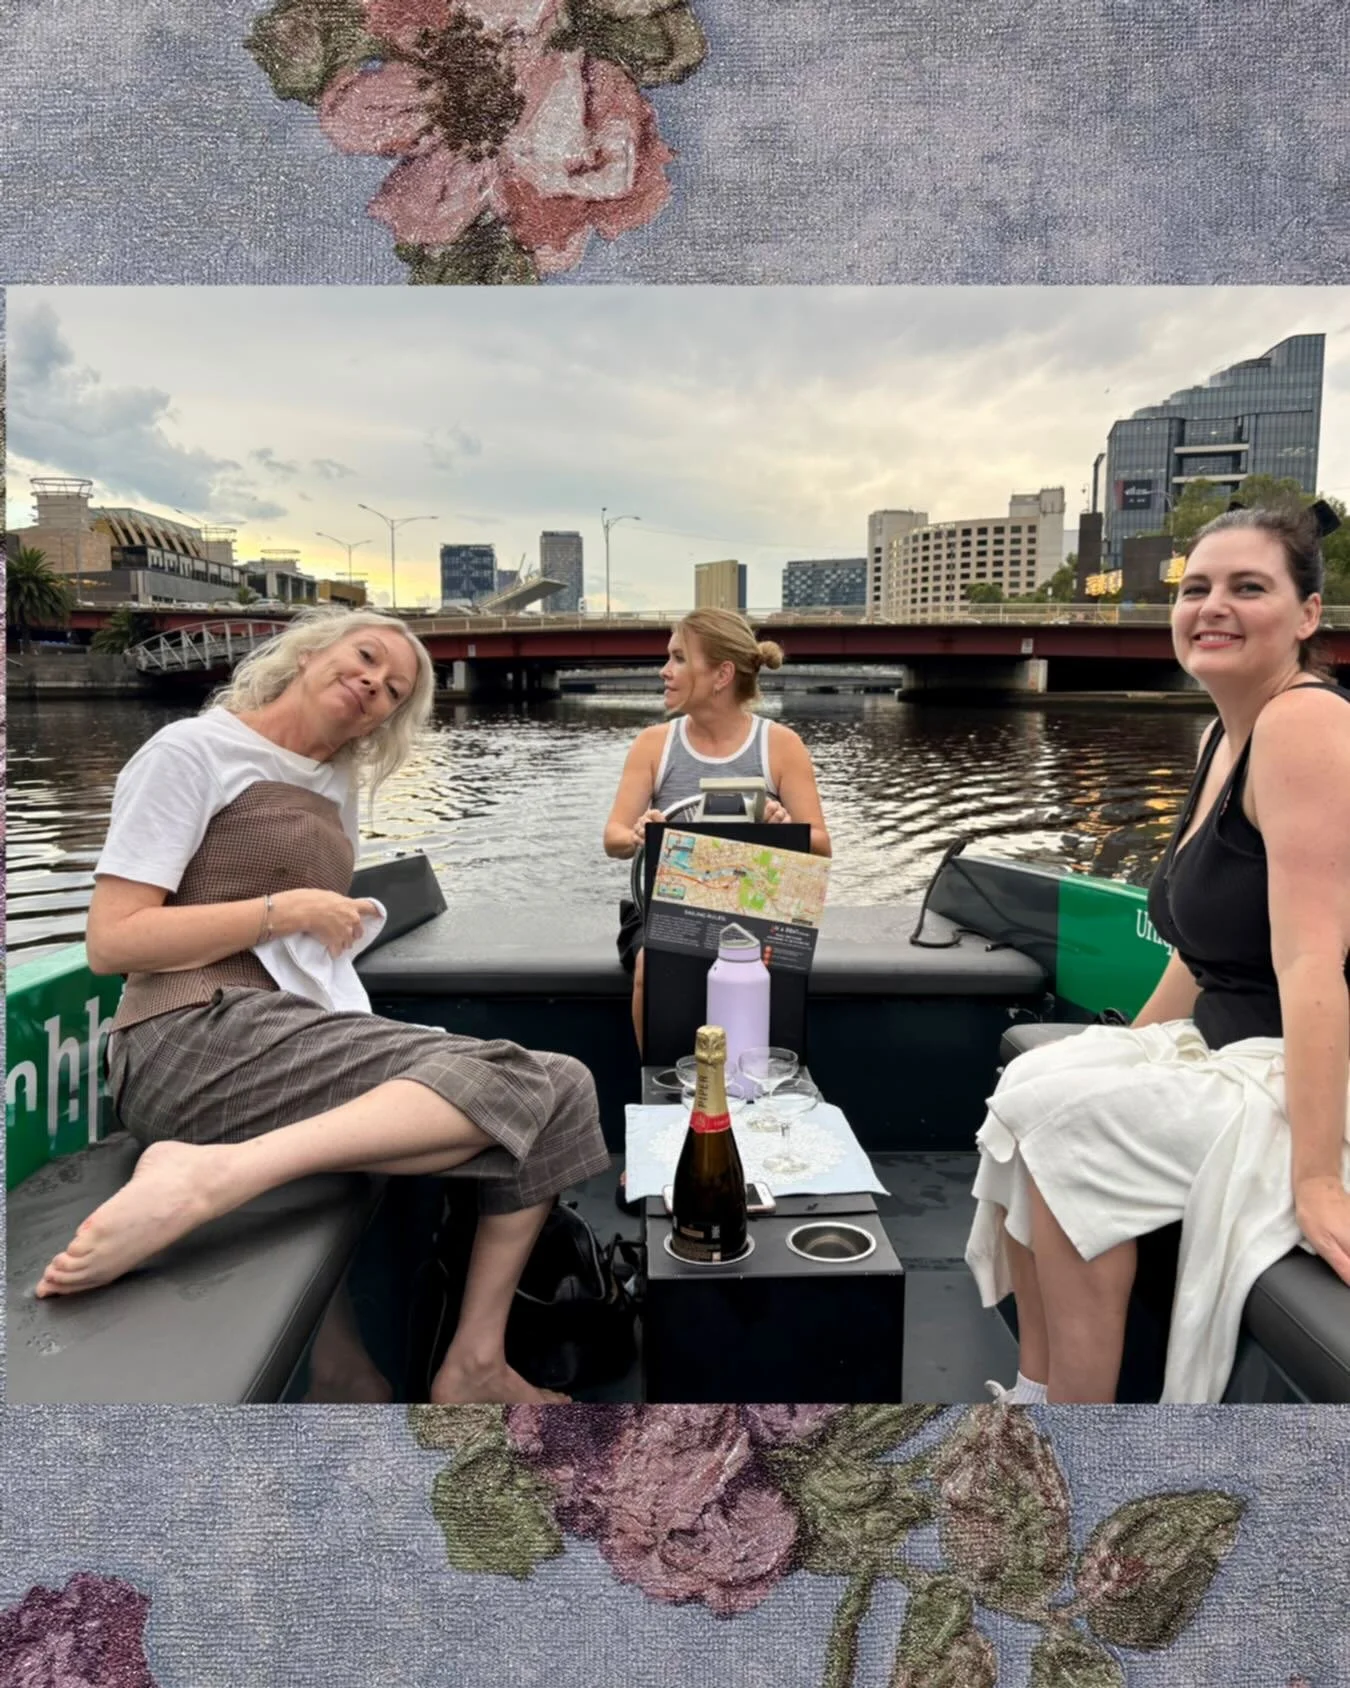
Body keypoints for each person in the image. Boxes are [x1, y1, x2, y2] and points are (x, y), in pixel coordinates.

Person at [35, 607, 610, 1406]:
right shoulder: (193, 751)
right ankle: (211, 1175)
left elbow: (305, 953)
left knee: (566, 1087)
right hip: (186, 1033)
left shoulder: (334, 787)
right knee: (521, 1082)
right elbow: (114, 942)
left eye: (393, 690)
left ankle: (471, 1364)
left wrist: (320, 933)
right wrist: (288, 910)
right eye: (366, 657)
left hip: (286, 1034)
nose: (374, 683)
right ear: (309, 652)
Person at [966, 502, 1350, 1404]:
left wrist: (1320, 1177)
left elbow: (1311, 963)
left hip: (1302, 1070)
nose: (1213, 606)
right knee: (1037, 1089)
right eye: (1196, 588)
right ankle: (1036, 1394)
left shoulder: (1306, 727)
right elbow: (1205, 946)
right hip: (1233, 1044)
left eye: (1248, 588)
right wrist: (1117, 1053)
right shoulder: (1225, 733)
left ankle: (1084, 1431)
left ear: (1306, 616)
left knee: (1070, 1125)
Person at [602, 607, 832, 1047]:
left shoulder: (781, 746)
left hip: (752, 909)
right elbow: (613, 838)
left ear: (722, 674)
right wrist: (638, 832)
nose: (664, 671)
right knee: (654, 961)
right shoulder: (654, 745)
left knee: (766, 963)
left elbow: (821, 847)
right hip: (665, 910)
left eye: (679, 658)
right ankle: (657, 1082)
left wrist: (782, 828)